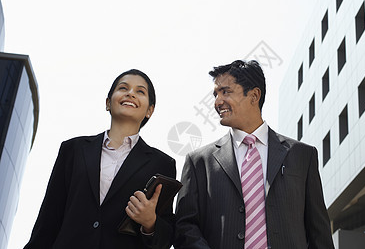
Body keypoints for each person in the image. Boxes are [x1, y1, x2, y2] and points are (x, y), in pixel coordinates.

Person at [174, 60, 334, 249]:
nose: (217, 102)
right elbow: (184, 226)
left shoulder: (302, 155)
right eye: (216, 94)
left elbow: (319, 233)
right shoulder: (199, 161)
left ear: (254, 95)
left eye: (226, 92)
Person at [24, 69, 176, 249]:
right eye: (123, 88)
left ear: (150, 110)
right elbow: (49, 217)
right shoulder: (73, 149)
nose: (130, 93)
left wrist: (150, 222)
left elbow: (165, 238)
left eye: (140, 91)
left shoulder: (162, 164)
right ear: (108, 103)